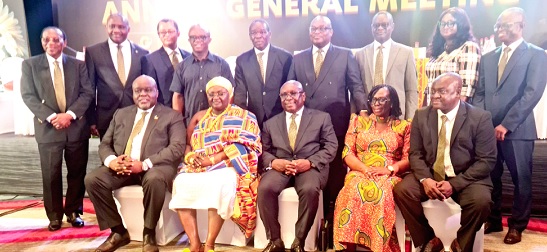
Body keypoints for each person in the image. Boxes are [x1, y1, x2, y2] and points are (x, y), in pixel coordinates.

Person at [394, 73, 497, 252]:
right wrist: (425, 180)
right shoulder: (421, 114)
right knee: (402, 191)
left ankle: (460, 244)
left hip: (466, 177)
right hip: (431, 175)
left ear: (458, 92)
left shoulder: (480, 117)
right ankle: (429, 240)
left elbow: (486, 161)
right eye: (433, 91)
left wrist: (455, 184)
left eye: (442, 91)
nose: (434, 95)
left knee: (481, 201)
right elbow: (415, 154)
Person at [287, 16, 368, 239]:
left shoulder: (344, 54)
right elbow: (290, 90)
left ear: (331, 32)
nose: (318, 31)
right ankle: (312, 227)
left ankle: (333, 224)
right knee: (311, 173)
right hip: (306, 128)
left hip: (336, 124)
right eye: (314, 28)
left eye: (323, 28)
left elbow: (356, 86)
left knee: (335, 176)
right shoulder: (298, 58)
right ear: (309, 32)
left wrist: (362, 113)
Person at [85, 75, 185, 252]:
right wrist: (112, 161)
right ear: (133, 93)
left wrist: (145, 164)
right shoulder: (121, 114)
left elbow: (177, 148)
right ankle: (117, 231)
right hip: (123, 167)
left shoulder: (171, 116)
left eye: (148, 90)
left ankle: (149, 233)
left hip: (155, 167)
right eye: (138, 91)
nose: (143, 94)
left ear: (156, 92)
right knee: (93, 180)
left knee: (153, 179)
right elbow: (105, 144)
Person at [472, 7, 547, 245]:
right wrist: (484, 123)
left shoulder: (536, 55)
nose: (500, 30)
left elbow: (532, 93)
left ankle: (516, 226)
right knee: (491, 177)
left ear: (521, 26)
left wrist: (506, 124)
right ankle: (493, 220)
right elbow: (480, 93)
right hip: (488, 130)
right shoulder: (488, 56)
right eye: (497, 26)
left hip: (518, 130)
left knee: (520, 179)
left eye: (506, 25)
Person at [169, 76, 261, 252]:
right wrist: (190, 158)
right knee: (181, 182)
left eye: (221, 93)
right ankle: (195, 243)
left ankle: (209, 244)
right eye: (211, 94)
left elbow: (248, 144)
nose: (215, 97)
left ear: (230, 95)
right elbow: (187, 144)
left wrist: (212, 160)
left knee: (219, 185)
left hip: (229, 164)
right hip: (198, 164)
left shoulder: (244, 116)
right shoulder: (199, 117)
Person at [20, 27, 93, 231]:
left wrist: (68, 115)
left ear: (64, 41)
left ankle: (73, 211)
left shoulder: (78, 65)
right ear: (42, 42)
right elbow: (28, 95)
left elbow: (87, 93)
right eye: (46, 40)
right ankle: (54, 216)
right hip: (49, 129)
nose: (51, 43)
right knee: (51, 174)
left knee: (77, 172)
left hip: (75, 127)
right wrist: (53, 117)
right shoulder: (30, 65)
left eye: (55, 39)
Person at [258, 80, 338, 252]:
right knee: (265, 188)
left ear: (303, 95)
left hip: (309, 167)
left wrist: (310, 162)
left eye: (293, 93)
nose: (288, 98)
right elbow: (263, 150)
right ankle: (275, 241)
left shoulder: (321, 118)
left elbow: (331, 146)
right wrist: (273, 162)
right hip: (281, 167)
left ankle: (298, 241)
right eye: (284, 94)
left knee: (310, 189)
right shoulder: (270, 123)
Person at [333, 84, 411, 252]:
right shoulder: (358, 122)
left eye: (382, 99)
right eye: (374, 99)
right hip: (360, 171)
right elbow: (347, 153)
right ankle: (348, 246)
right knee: (351, 190)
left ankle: (377, 246)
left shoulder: (403, 126)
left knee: (381, 192)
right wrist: (365, 169)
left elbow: (408, 158)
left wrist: (389, 169)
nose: (377, 103)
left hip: (389, 173)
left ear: (392, 103)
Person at [85, 13, 149, 139]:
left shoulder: (143, 53)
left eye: (121, 27)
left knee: (135, 156)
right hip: (106, 117)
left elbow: (147, 88)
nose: (116, 30)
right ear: (106, 28)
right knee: (109, 156)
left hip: (136, 114)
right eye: (112, 26)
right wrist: (91, 119)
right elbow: (90, 88)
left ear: (128, 29)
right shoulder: (93, 52)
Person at [355, 11, 418, 119]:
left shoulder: (406, 52)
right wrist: (355, 114)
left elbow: (411, 90)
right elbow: (356, 88)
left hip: (397, 117)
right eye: (376, 25)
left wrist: (410, 119)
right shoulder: (360, 54)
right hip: (368, 117)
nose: (380, 28)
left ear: (392, 26)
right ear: (371, 27)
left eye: (384, 25)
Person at [169, 24, 234, 126]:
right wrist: (178, 124)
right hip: (190, 123)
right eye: (193, 37)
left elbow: (230, 94)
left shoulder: (221, 64)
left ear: (209, 39)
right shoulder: (181, 67)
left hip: (218, 123)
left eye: (202, 37)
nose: (197, 40)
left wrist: (226, 119)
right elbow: (178, 96)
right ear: (189, 40)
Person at [233, 19, 293, 128]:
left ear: (269, 34)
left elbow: (291, 89)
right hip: (253, 120)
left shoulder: (285, 57)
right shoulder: (242, 60)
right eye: (254, 33)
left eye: (262, 32)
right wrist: (245, 118)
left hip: (280, 117)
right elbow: (240, 95)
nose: (258, 36)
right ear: (250, 36)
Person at [425, 7, 480, 104]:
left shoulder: (468, 47)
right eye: (443, 24)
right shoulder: (438, 50)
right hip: (433, 108)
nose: (446, 27)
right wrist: (425, 112)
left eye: (451, 23)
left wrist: (456, 115)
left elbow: (467, 88)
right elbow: (429, 85)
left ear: (461, 25)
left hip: (451, 110)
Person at [141, 19, 190, 108]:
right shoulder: (150, 59)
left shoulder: (189, 56)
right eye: (163, 32)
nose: (167, 35)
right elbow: (150, 91)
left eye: (170, 31)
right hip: (165, 112)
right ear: (158, 35)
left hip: (190, 110)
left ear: (178, 33)